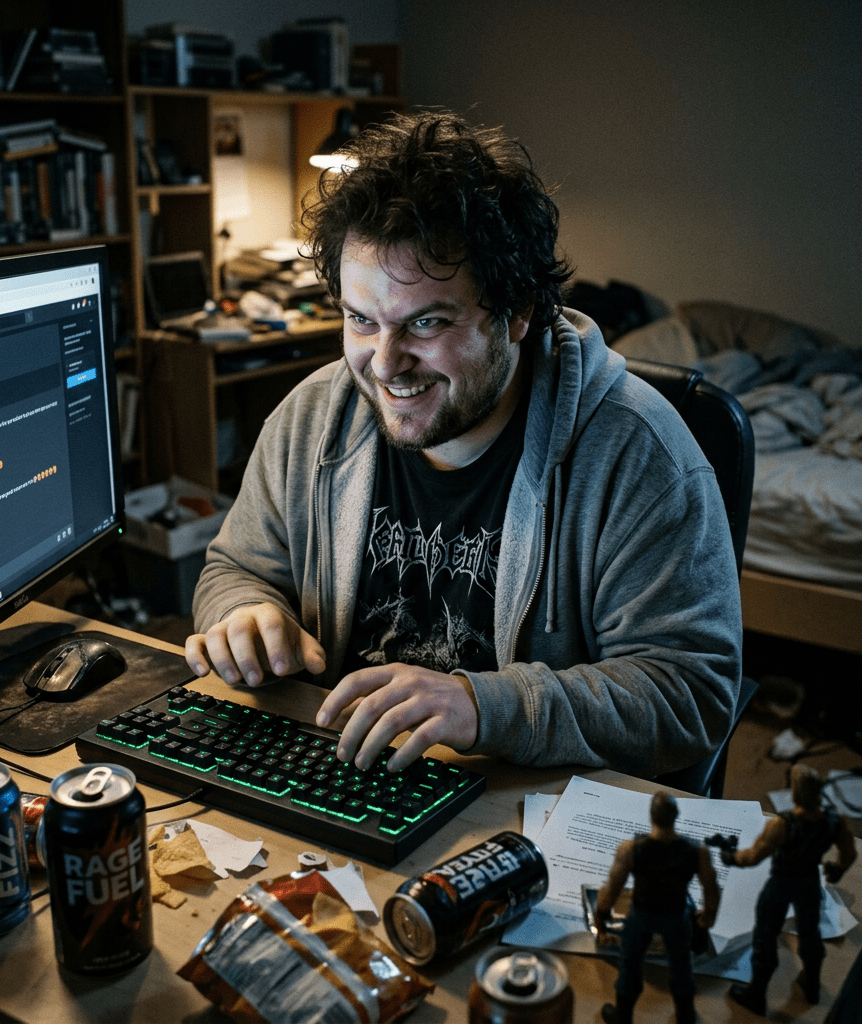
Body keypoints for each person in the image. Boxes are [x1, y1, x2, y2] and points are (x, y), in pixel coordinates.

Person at [185, 110, 742, 777]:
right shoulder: (310, 418)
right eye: (362, 320)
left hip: (518, 808)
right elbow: (233, 569)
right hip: (337, 778)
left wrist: (486, 708)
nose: (385, 364)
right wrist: (244, 614)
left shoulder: (638, 452)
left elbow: (690, 693)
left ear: (516, 313)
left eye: (425, 323)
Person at [724, 763, 856, 1015]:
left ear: (795, 793)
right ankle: (812, 984)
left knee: (765, 935)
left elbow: (753, 856)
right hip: (809, 883)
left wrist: (731, 857)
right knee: (809, 932)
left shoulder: (782, 824)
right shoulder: (834, 820)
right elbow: (848, 854)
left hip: (781, 884)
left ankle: (756, 994)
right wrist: (837, 869)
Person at [595, 792, 719, 1024]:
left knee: (631, 965)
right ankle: (685, 1016)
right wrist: (708, 916)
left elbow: (612, 887)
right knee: (681, 966)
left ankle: (623, 1016)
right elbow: (711, 886)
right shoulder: (697, 850)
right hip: (676, 914)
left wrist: (601, 914)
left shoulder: (631, 849)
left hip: (642, 914)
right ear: (676, 816)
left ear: (651, 815)